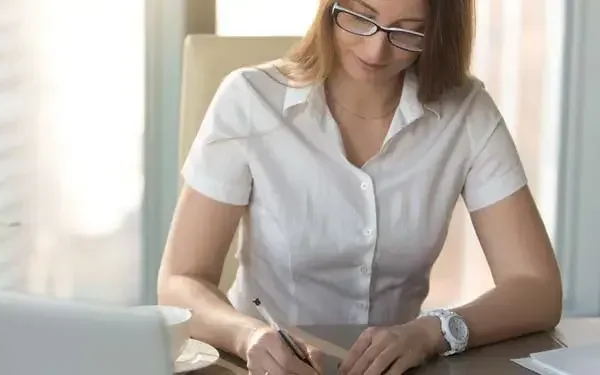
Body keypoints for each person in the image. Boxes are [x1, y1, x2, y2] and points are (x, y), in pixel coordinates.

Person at [157, 0, 563, 374]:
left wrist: (431, 332)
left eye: (408, 31)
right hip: (268, 366)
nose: (376, 51)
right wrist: (248, 335)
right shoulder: (248, 99)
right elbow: (180, 282)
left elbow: (537, 289)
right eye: (361, 17)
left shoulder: (465, 112)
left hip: (397, 368)